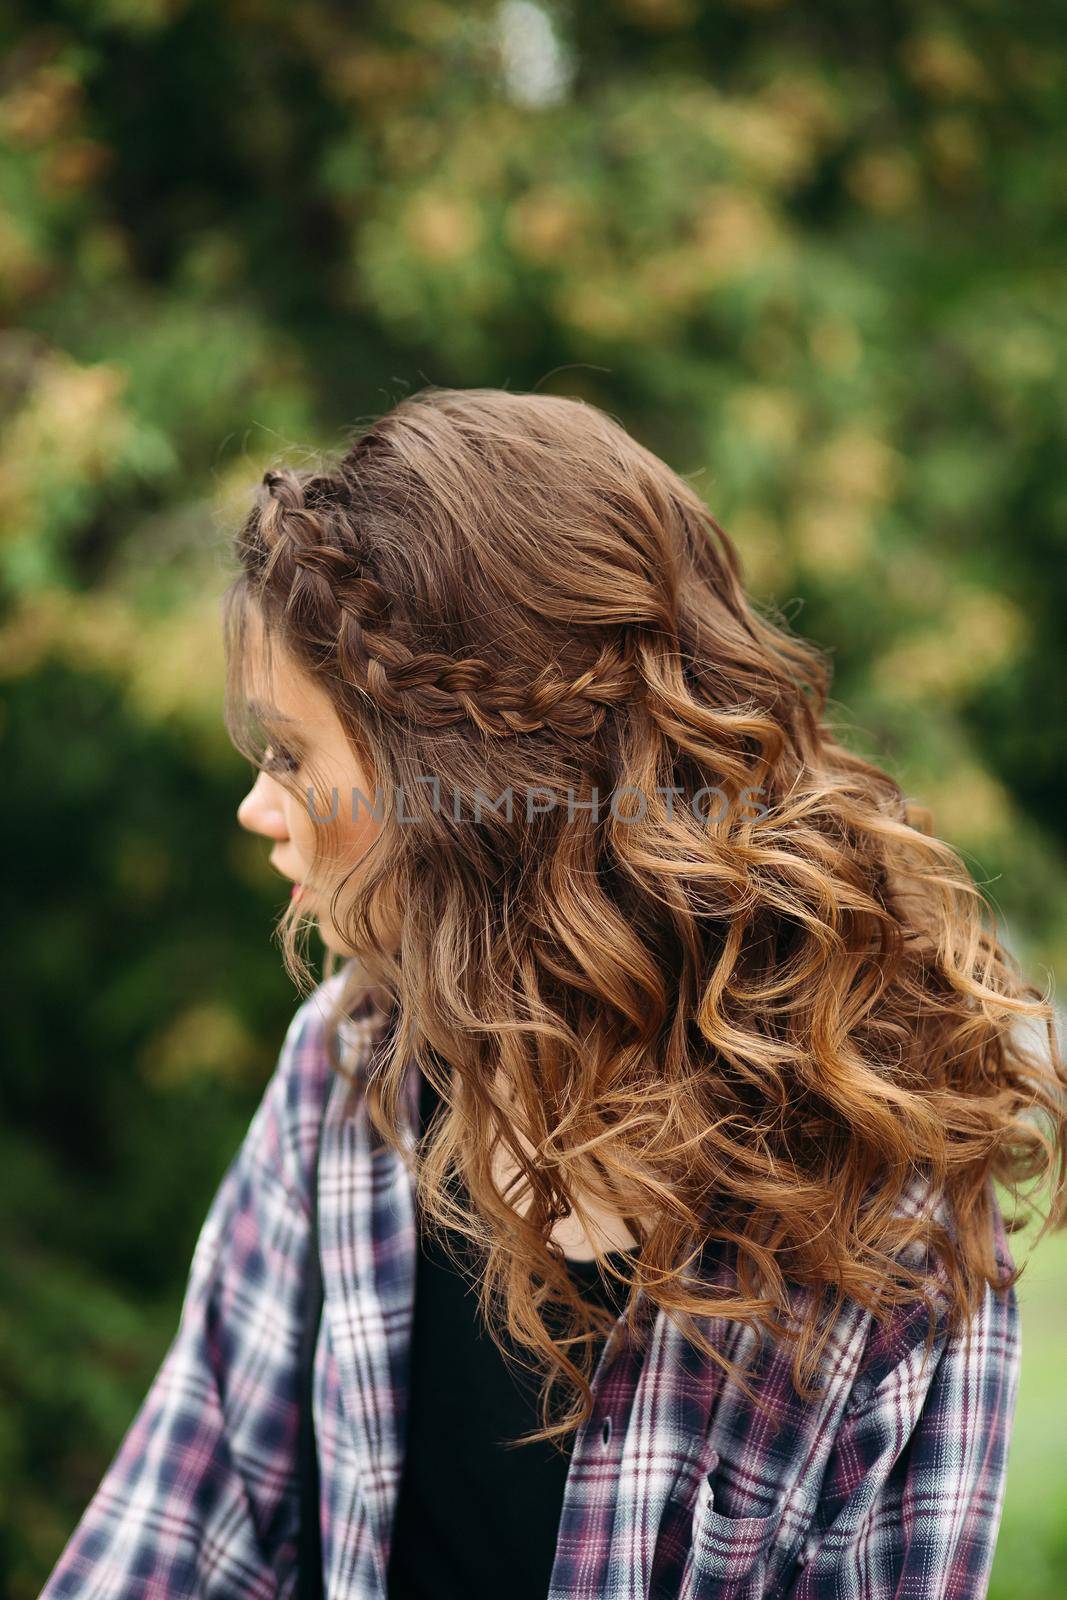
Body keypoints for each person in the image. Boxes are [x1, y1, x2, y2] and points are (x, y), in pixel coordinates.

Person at [40, 387, 1064, 1600]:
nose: (258, 807)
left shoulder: (880, 1220)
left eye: (289, 753)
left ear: (456, 778)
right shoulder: (347, 1075)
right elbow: (172, 1532)